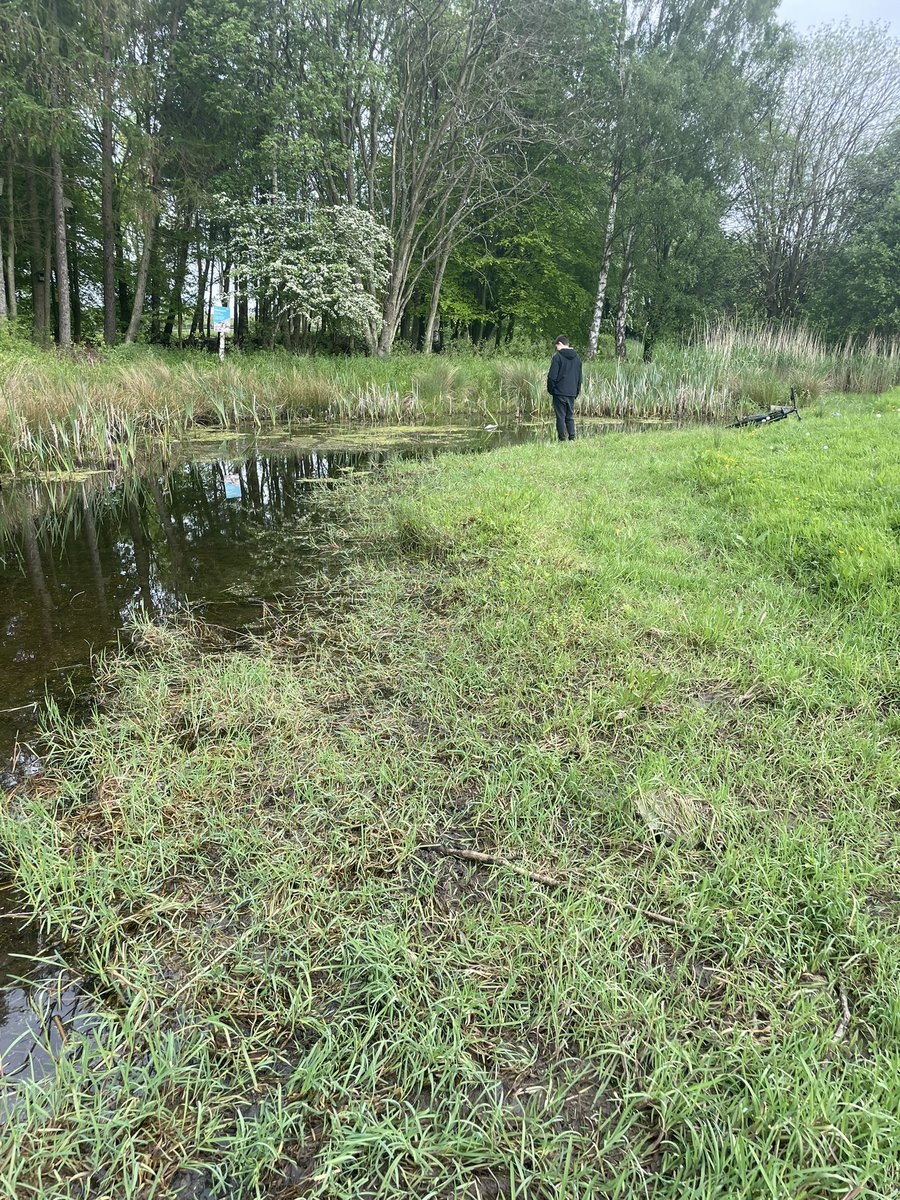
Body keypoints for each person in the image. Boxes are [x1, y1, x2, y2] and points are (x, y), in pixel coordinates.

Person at [546, 336, 582, 441]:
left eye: (556, 345)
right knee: (569, 416)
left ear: (560, 343)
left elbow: (552, 376)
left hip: (559, 392)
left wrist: (551, 390)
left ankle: (562, 439)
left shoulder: (558, 357)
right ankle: (572, 437)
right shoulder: (577, 358)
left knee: (560, 417)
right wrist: (576, 391)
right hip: (572, 392)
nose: (556, 348)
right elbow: (580, 377)